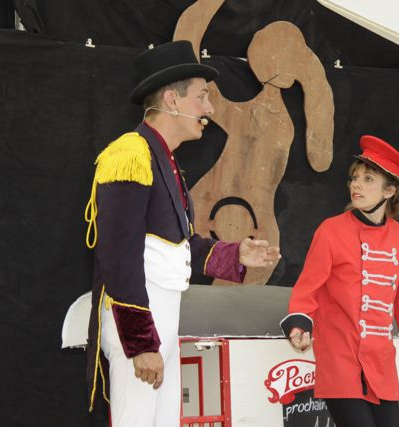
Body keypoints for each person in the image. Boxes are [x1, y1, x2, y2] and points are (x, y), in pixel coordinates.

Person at [83, 40, 281, 427]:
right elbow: (119, 258)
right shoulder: (130, 154)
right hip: (139, 320)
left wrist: (236, 255)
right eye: (202, 96)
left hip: (161, 318)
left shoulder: (165, 162)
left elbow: (179, 247)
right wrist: (140, 342)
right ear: (172, 100)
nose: (209, 109)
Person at [281, 135, 399, 427]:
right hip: (340, 359)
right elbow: (308, 286)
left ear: (390, 191)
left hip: (380, 362)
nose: (356, 185)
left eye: (368, 179)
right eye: (355, 177)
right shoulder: (330, 230)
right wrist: (300, 323)